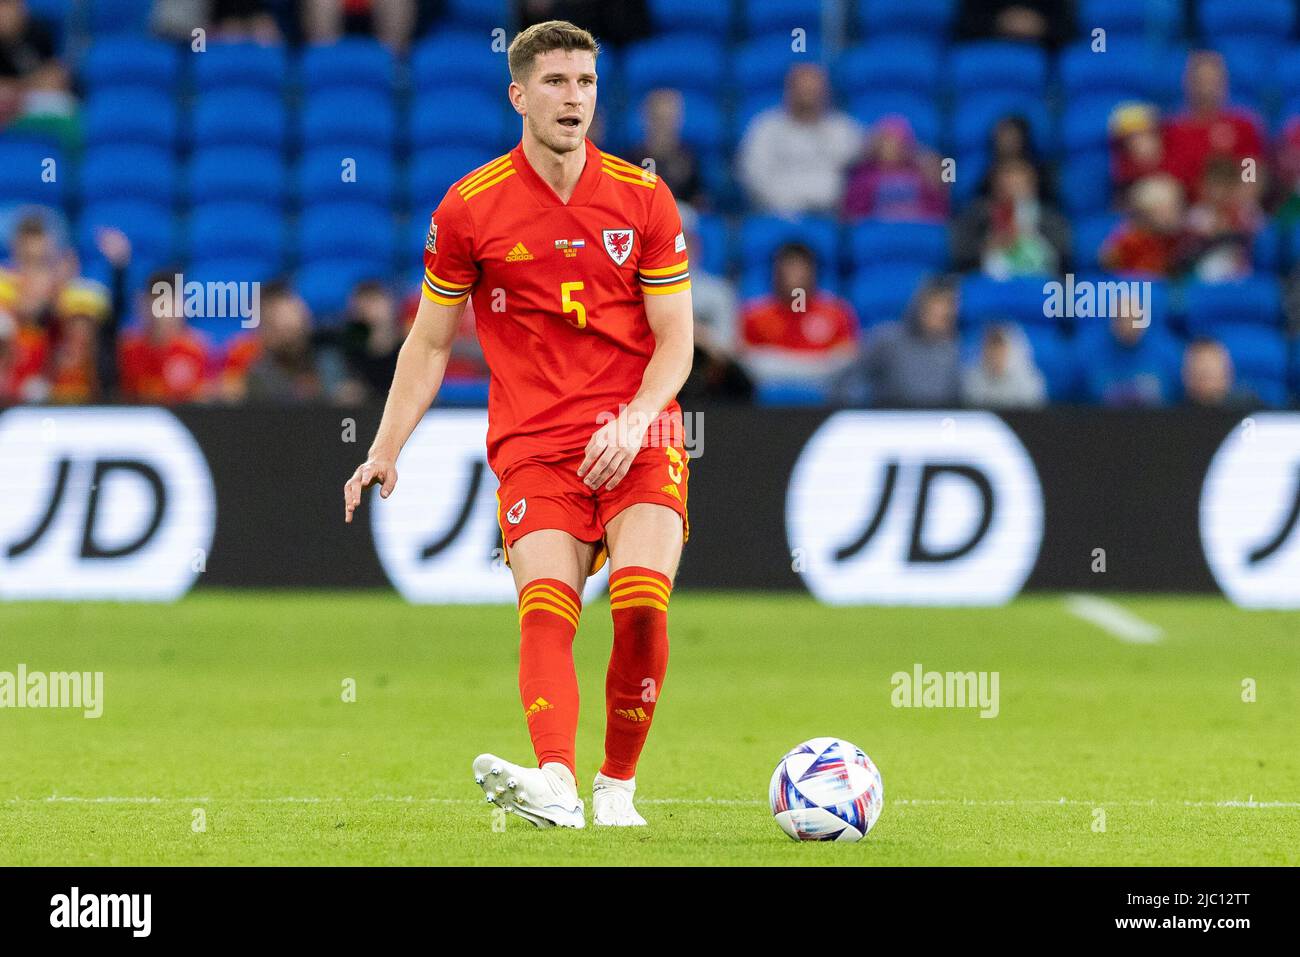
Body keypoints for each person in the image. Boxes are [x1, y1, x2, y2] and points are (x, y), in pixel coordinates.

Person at [342, 21, 694, 830]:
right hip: (534, 444)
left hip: (639, 433)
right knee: (546, 604)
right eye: (557, 83)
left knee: (640, 604)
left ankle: (617, 789)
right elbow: (429, 341)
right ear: (519, 94)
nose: (575, 98)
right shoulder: (470, 208)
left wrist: (638, 419)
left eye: (587, 83)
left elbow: (677, 340)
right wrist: (385, 449)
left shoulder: (643, 198)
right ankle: (558, 785)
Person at [737, 63, 864, 215]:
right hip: (778, 215)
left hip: (831, 217)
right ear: (789, 91)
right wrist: (787, 205)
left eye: (814, 91)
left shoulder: (844, 129)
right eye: (803, 91)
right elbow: (753, 175)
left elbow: (860, 175)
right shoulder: (765, 128)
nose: (808, 97)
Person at [738, 242, 859, 391]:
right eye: (788, 268)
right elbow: (745, 362)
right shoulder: (755, 315)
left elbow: (846, 359)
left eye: (800, 268)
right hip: (768, 398)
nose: (794, 275)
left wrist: (779, 361)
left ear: (813, 272)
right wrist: (814, 363)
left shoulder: (836, 313)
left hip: (825, 393)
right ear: (775, 274)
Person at [833, 277, 961, 408]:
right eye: (940, 302)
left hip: (934, 424)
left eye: (952, 303)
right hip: (887, 423)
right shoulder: (887, 339)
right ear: (921, 305)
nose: (948, 311)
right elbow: (849, 380)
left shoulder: (952, 351)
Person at [1162, 51, 1265, 201]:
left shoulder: (1242, 126)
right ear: (1187, 83)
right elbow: (1171, 178)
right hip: (1187, 210)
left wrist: (1240, 198)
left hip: (1235, 206)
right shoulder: (1173, 129)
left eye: (1213, 81)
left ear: (1224, 83)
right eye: (1201, 81)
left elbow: (1250, 166)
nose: (1206, 89)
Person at [951, 157, 1069, 278]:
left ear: (1033, 185)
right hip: (989, 285)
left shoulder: (1050, 218)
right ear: (995, 186)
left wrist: (1029, 237)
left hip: (1037, 284)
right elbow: (959, 252)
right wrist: (988, 245)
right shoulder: (977, 215)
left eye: (1019, 183)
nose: (1012, 190)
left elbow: (1063, 253)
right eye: (1007, 184)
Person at [842, 115, 948, 222]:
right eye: (886, 142)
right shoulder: (863, 178)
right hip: (878, 234)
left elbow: (938, 210)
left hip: (916, 232)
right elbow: (853, 215)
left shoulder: (922, 176)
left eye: (897, 142)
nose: (891, 147)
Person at [962, 322, 1047, 409]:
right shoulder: (973, 379)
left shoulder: (1030, 381)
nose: (996, 356)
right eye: (992, 351)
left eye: (1000, 351)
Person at [1182, 338, 1255, 407]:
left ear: (1228, 371)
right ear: (1185, 374)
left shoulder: (1251, 411)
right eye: (1198, 368)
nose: (1205, 369)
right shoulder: (1176, 416)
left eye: (1211, 368)